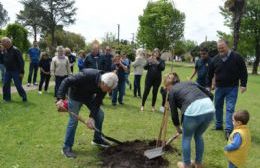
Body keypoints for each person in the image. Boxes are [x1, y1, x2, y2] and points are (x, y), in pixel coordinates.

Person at [56, 69, 118, 158]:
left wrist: (91, 117)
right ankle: (66, 147)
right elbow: (66, 81)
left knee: (100, 115)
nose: (109, 92)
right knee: (73, 121)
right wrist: (60, 98)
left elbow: (97, 102)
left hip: (88, 97)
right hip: (75, 97)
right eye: (108, 89)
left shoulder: (103, 87)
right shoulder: (85, 75)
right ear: (103, 83)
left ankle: (97, 139)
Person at [164, 72, 215, 168]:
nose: (167, 90)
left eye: (166, 87)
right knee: (198, 135)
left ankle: (186, 164)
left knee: (186, 138)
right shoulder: (190, 83)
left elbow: (174, 113)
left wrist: (178, 127)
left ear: (169, 85)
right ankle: (198, 163)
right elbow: (210, 95)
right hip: (209, 108)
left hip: (193, 110)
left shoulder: (172, 91)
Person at [207, 40, 248, 140]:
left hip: (232, 87)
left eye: (222, 47)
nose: (220, 49)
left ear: (227, 46)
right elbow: (210, 73)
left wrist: (243, 84)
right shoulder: (215, 59)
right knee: (218, 106)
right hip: (219, 87)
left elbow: (243, 71)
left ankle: (228, 129)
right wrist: (208, 85)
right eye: (219, 48)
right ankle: (218, 125)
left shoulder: (236, 57)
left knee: (230, 108)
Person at [1, 37, 27, 102]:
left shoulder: (16, 50)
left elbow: (21, 62)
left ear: (8, 42)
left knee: (18, 85)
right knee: (5, 84)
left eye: (3, 42)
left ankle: (24, 96)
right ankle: (6, 98)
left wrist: (22, 72)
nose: (2, 44)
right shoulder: (5, 50)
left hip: (16, 71)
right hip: (8, 71)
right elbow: (3, 59)